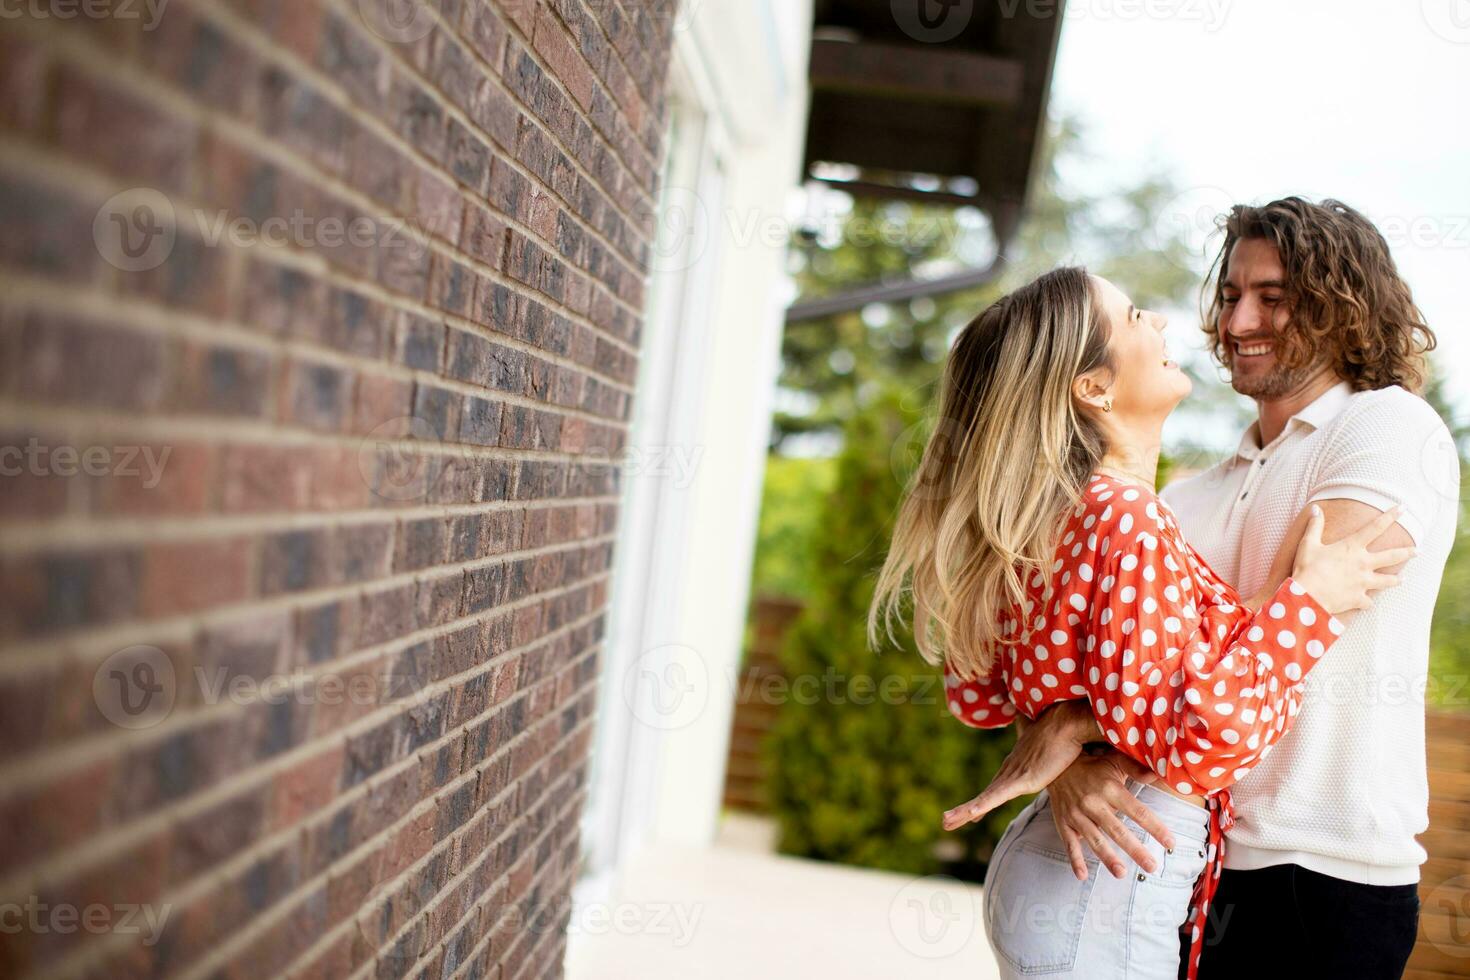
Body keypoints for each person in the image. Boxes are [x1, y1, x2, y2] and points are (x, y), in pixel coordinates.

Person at [940, 199, 1458, 980]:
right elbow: (1134, 677)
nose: (1239, 317)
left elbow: (1268, 644)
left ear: (1344, 306)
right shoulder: (1179, 499)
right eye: (1229, 294)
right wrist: (1075, 737)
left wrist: (1083, 723)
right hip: (1179, 858)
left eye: (1274, 297)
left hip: (1318, 868)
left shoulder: (1389, 430)